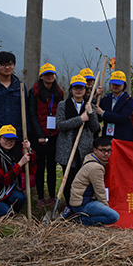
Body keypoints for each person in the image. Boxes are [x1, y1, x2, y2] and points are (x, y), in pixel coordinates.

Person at [56, 74, 100, 208]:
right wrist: (80, 119)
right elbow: (60, 125)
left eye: (81, 88)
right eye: (75, 88)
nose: (78, 91)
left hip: (84, 148)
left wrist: (91, 114)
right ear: (71, 89)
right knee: (68, 179)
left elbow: (96, 127)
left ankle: (81, 205)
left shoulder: (89, 105)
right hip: (67, 147)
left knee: (82, 180)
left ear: (86, 89)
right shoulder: (63, 105)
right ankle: (69, 206)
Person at [0, 125, 36, 218]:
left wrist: (30, 150)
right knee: (9, 215)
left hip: (8, 192)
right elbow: (4, 179)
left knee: (20, 197)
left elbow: (31, 171)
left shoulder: (15, 154)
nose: (9, 142)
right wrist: (20, 164)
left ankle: (6, 211)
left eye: (12, 139)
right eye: (5, 139)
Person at [28, 63, 64, 208]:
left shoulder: (59, 92)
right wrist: (40, 135)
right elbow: (32, 114)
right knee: (39, 167)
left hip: (54, 135)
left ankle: (52, 196)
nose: (50, 77)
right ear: (41, 76)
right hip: (38, 136)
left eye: (52, 74)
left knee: (52, 167)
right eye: (47, 74)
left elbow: (61, 112)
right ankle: (41, 197)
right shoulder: (34, 92)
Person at [69, 136, 120, 226]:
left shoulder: (91, 158)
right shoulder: (96, 167)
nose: (106, 154)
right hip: (82, 204)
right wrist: (105, 209)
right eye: (103, 150)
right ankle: (82, 220)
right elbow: (100, 191)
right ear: (95, 150)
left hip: (83, 201)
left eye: (109, 151)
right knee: (114, 216)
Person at [97, 71, 133, 141]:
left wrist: (103, 113)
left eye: (118, 84)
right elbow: (97, 113)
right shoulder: (106, 98)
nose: (115, 86)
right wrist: (96, 96)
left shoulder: (128, 100)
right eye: (113, 84)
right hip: (107, 136)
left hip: (123, 137)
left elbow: (122, 118)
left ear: (124, 85)